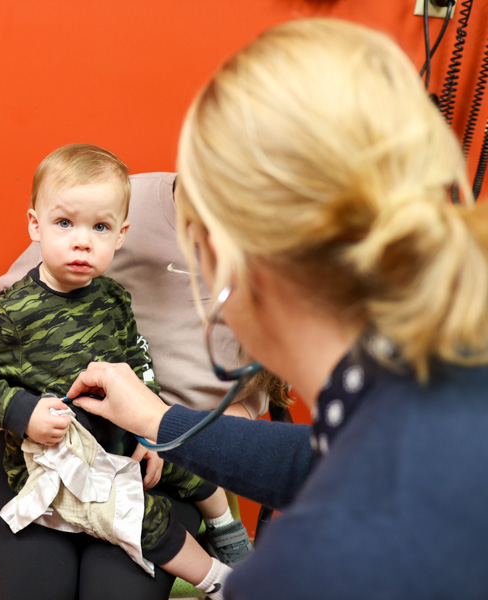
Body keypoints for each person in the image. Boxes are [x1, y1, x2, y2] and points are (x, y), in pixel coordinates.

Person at [65, 18, 488, 600]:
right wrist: (159, 420)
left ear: (221, 255)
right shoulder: (432, 390)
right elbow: (322, 458)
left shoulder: (303, 573)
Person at [0, 144, 252, 600]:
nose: (82, 241)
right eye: (65, 224)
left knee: (137, 543)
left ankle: (222, 553)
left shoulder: (113, 299)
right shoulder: (18, 308)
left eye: (100, 228)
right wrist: (24, 411)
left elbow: (137, 361)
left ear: (120, 234)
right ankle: (216, 574)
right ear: (36, 225)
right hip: (44, 451)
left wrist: (155, 426)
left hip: (134, 439)